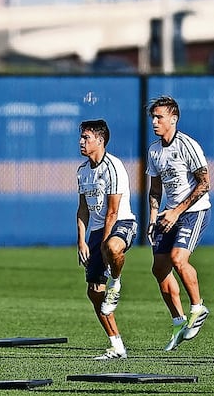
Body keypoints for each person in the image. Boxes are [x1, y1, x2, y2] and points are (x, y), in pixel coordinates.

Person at [146, 95, 211, 351]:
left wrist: (176, 211)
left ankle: (198, 307)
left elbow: (205, 183)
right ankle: (178, 320)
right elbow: (154, 190)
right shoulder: (153, 150)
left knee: (178, 259)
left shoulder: (188, 145)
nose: (154, 121)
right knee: (159, 269)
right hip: (168, 214)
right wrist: (154, 216)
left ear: (173, 119)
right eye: (153, 117)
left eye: (159, 117)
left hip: (194, 211)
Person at [76, 119, 138, 360]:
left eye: (86, 138)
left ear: (100, 140)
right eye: (81, 137)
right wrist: (82, 241)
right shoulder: (82, 171)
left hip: (122, 223)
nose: (81, 142)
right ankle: (117, 345)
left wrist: (103, 242)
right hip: (96, 230)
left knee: (112, 247)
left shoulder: (113, 167)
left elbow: (113, 211)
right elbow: (82, 209)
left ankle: (117, 282)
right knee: (94, 292)